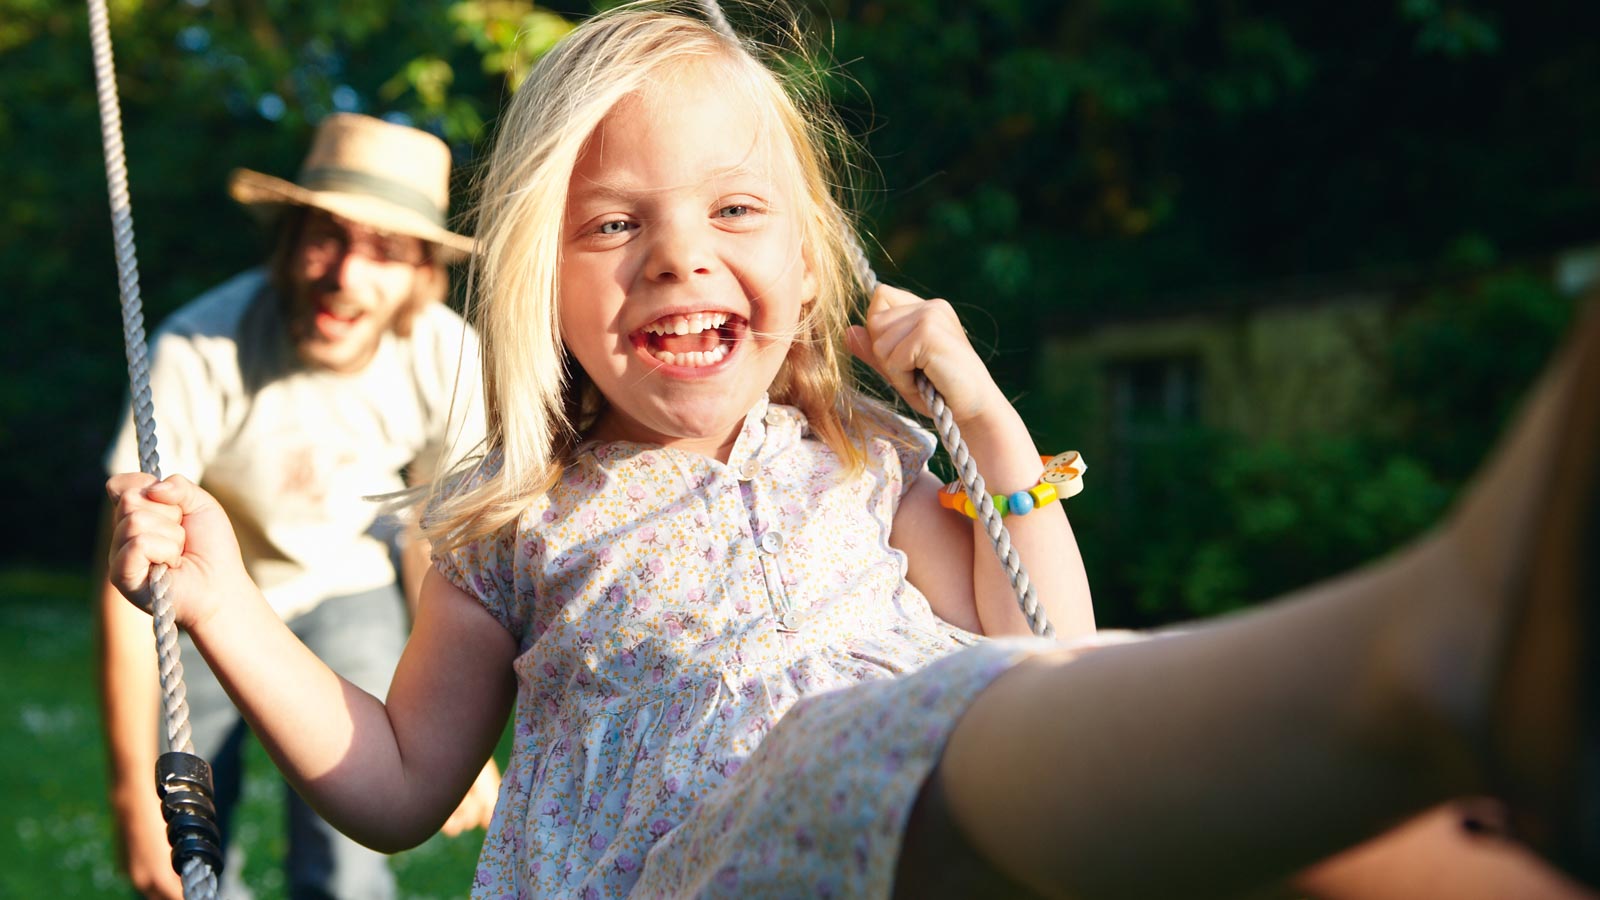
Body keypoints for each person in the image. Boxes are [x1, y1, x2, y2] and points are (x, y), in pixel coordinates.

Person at [103, 7, 1599, 898]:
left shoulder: (873, 452)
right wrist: (225, 599)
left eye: (734, 214)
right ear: (533, 288)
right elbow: (399, 785)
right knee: (880, 744)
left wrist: (977, 410)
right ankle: (1443, 643)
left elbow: (1053, 645)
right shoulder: (520, 522)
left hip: (935, 830)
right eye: (614, 226)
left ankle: (1497, 773)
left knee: (1205, 791)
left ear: (812, 262)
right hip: (703, 868)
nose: (677, 262)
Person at [95, 113, 499, 900]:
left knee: (350, 857)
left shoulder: (449, 358)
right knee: (191, 865)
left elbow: (439, 543)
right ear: (285, 241)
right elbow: (126, 577)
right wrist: (131, 806)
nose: (347, 274)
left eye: (385, 250)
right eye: (326, 236)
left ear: (424, 272)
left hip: (346, 590)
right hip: (197, 605)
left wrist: (454, 734)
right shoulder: (198, 347)